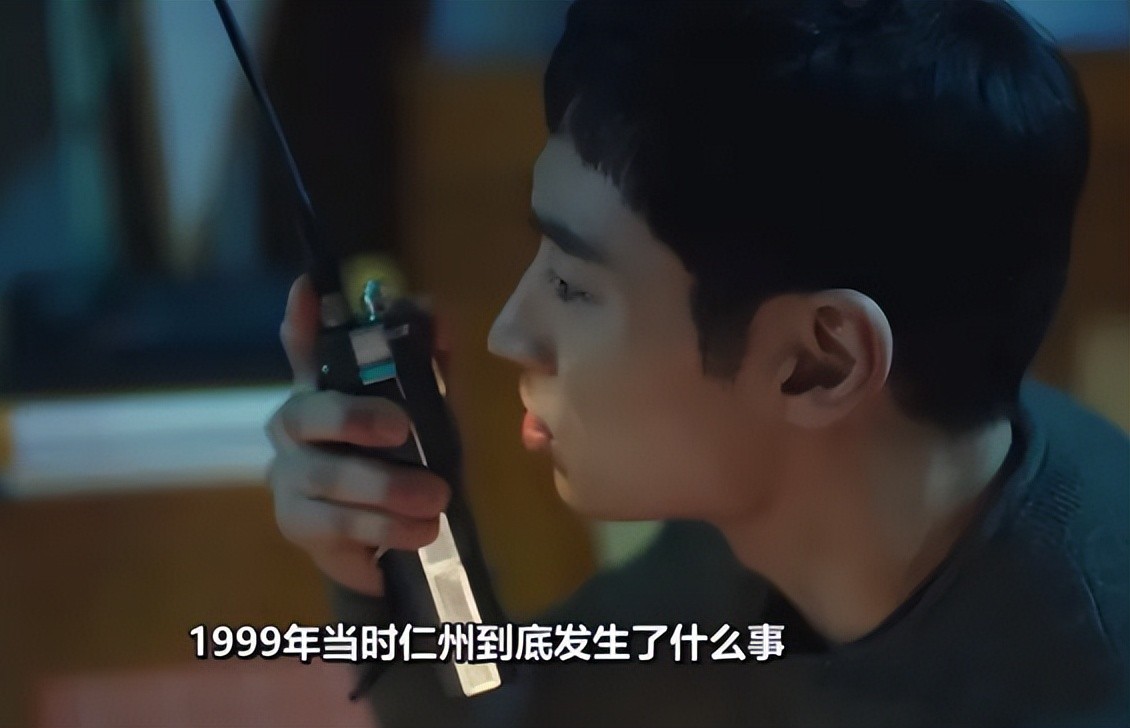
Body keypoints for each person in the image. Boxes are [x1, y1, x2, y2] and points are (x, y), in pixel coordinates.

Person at [265, 0, 1129, 725]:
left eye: (571, 284)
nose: (508, 334)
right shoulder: (779, 520)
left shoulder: (1077, 681)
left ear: (819, 361)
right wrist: (403, 550)